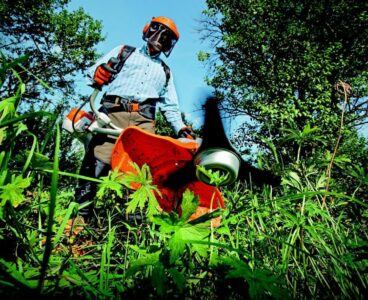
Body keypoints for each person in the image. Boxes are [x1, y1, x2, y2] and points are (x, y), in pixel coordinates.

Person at [74, 16, 195, 217]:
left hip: (143, 121)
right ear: (148, 30)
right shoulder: (124, 52)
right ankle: (81, 215)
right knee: (98, 160)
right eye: (158, 31)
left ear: (169, 44)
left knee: (142, 171)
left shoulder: (165, 71)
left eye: (167, 37)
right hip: (113, 113)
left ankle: (133, 224)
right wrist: (99, 73)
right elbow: (92, 73)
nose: (160, 38)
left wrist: (180, 128)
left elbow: (170, 106)